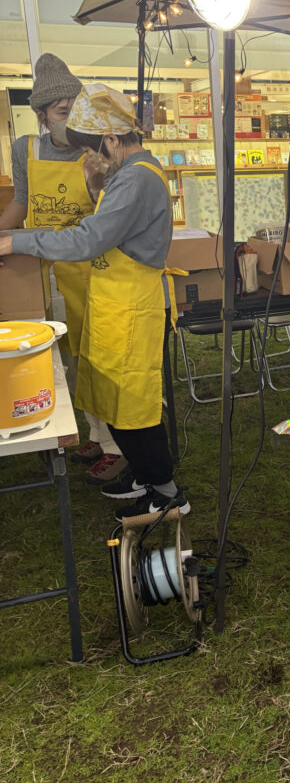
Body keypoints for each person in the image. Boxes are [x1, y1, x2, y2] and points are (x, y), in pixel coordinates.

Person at [0, 83, 188, 518]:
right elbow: (108, 225)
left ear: (111, 139)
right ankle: (144, 475)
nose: (90, 157)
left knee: (134, 408)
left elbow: (90, 238)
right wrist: (96, 182)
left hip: (134, 309)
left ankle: (166, 492)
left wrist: (16, 243)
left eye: (93, 149)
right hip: (115, 305)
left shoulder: (139, 177)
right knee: (112, 399)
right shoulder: (127, 174)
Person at [0, 54, 129, 486]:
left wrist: (95, 184)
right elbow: (22, 199)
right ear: (40, 115)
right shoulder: (26, 149)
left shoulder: (94, 149)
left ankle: (115, 445)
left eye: (76, 109)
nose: (71, 119)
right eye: (61, 112)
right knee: (64, 358)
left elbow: (108, 214)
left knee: (98, 355)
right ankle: (93, 431)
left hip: (88, 269)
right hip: (41, 272)